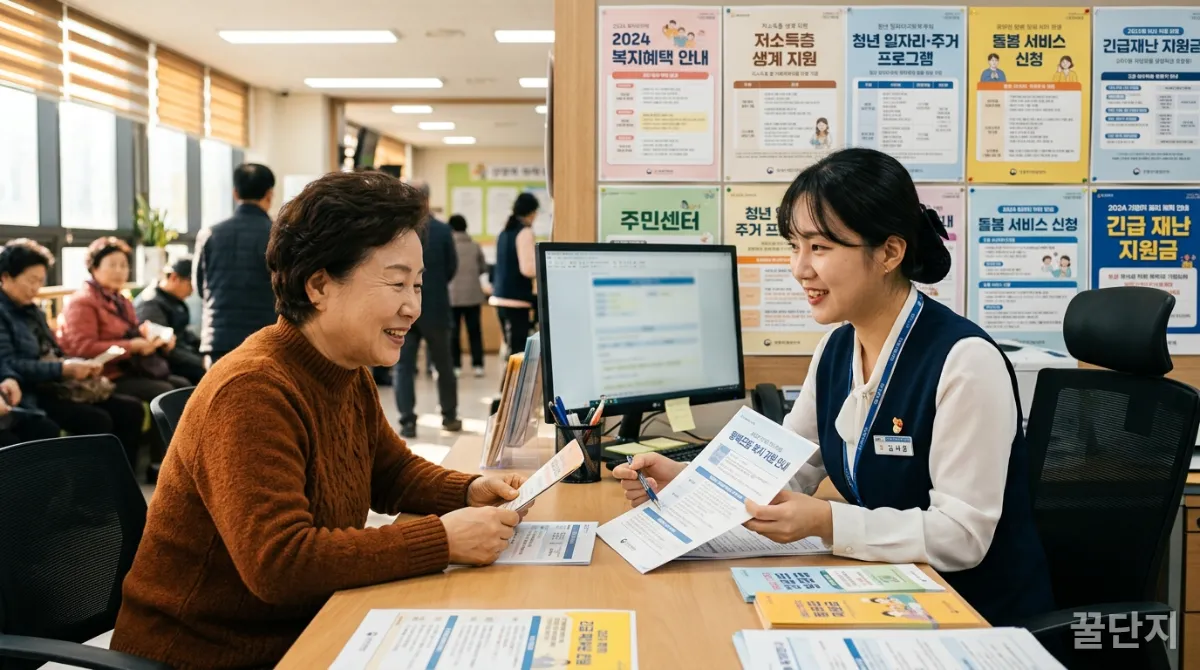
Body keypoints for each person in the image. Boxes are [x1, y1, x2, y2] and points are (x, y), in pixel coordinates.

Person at [613, 148, 1053, 626]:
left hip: (973, 618)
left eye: (820, 247)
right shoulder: (835, 350)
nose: (800, 268)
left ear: (889, 253)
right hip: (890, 596)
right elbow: (786, 470)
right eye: (794, 245)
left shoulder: (964, 361)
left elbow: (962, 536)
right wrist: (690, 482)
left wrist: (827, 521)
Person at [110, 171, 528, 669]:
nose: (413, 307)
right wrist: (442, 540)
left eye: (417, 285)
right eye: (397, 283)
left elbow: (390, 472)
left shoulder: (345, 370)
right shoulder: (253, 389)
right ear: (319, 285)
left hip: (306, 628)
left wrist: (468, 491)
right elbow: (280, 563)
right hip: (205, 653)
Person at [0, 239, 146, 462]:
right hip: (35, 389)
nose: (36, 288)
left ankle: (122, 478)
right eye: (31, 280)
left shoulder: (33, 311)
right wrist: (63, 369)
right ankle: (91, 481)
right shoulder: (5, 314)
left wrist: (77, 366)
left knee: (130, 410)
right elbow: (10, 364)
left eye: (40, 281)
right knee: (95, 420)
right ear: (6, 277)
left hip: (57, 384)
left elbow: (55, 351)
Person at [57, 237, 191, 402]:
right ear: (94, 268)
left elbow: (131, 331)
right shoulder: (82, 302)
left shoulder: (121, 300)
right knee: (166, 392)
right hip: (103, 375)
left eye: (124, 265)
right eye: (112, 265)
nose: (119, 271)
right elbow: (82, 348)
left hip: (129, 369)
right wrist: (132, 346)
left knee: (182, 386)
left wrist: (155, 338)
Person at [393, 179, 461, 437]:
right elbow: (451, 267)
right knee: (443, 365)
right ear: (428, 199)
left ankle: (407, 422)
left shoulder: (397, 232)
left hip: (402, 307)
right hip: (436, 307)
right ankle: (449, 416)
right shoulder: (443, 231)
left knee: (404, 366)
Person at [195, 163, 278, 365]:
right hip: (265, 339)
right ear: (269, 195)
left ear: (235, 193)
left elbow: (199, 287)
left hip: (218, 340)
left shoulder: (209, 234)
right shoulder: (278, 235)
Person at [135, 257, 205, 385]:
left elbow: (183, 334)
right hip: (164, 363)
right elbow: (165, 348)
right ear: (174, 278)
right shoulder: (151, 304)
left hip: (183, 354)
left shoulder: (173, 300)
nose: (192, 291)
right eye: (191, 285)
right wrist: (201, 362)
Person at [490, 192, 540, 358]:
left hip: (500, 297)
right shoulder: (525, 232)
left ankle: (508, 374)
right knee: (518, 352)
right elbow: (527, 269)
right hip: (516, 299)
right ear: (531, 212)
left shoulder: (504, 231)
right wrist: (545, 267)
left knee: (510, 348)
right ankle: (513, 376)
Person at [448, 214, 487, 378]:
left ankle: (456, 366)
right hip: (473, 296)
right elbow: (483, 268)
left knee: (454, 333)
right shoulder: (474, 245)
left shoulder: (449, 246)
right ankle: (478, 365)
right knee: (475, 331)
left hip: (453, 296)